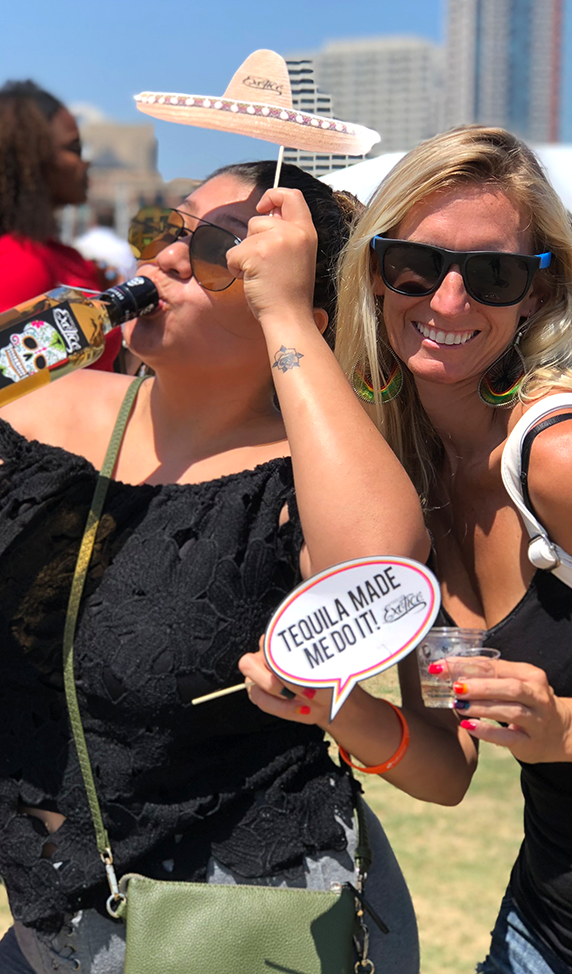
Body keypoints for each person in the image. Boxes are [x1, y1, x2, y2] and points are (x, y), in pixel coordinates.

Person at [0, 159, 469, 973]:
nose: (167, 258)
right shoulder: (33, 421)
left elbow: (376, 565)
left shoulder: (310, 477)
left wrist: (283, 316)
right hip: (55, 934)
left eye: (223, 251)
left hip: (245, 928)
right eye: (165, 228)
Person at [331, 125, 572, 974]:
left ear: (535, 296)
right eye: (418, 265)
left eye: (494, 274)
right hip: (543, 923)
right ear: (375, 271)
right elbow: (448, 764)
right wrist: (327, 703)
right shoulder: (411, 492)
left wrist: (565, 729)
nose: (447, 302)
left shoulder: (556, 459)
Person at [0, 79, 122, 371]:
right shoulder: (17, 261)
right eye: (75, 148)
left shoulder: (42, 253)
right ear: (30, 161)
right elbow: (7, 389)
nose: (86, 163)